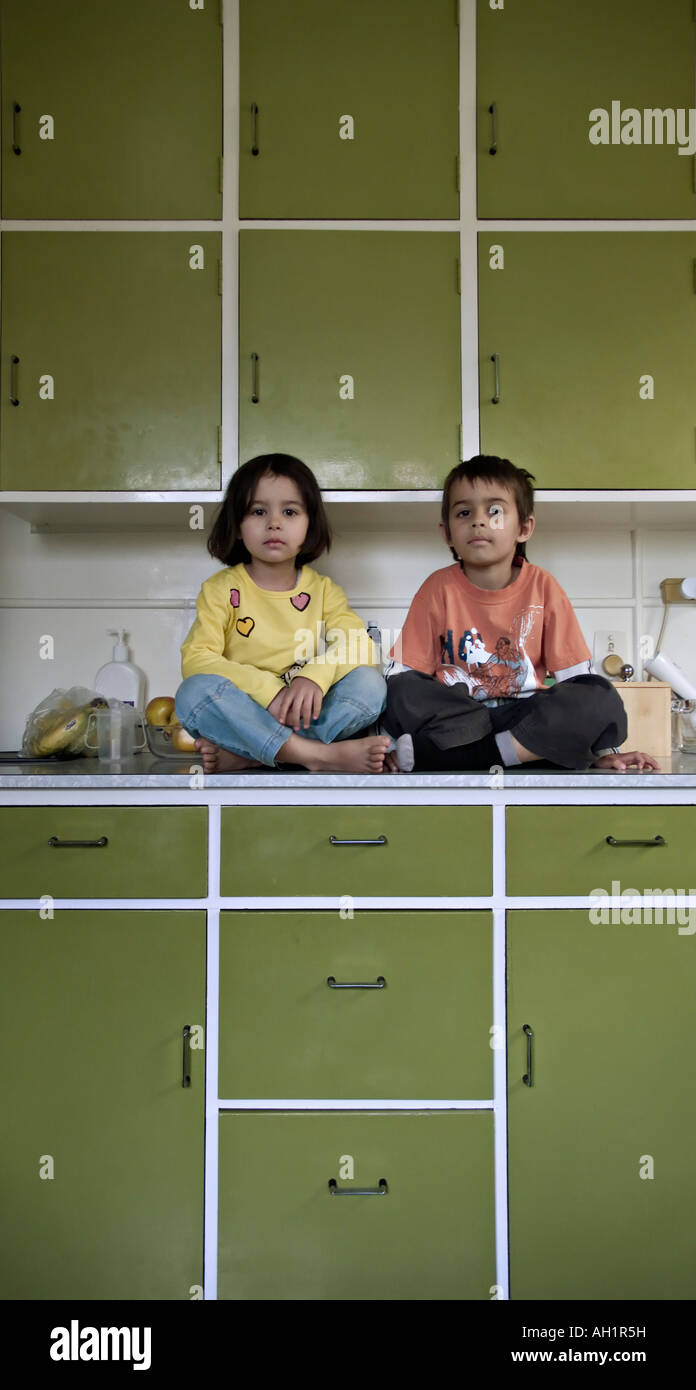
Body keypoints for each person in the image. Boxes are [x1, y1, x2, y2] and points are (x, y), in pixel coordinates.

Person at [383, 455, 659, 774]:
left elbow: (576, 679)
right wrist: (388, 746)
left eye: (495, 511)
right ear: (447, 533)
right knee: (400, 689)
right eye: (464, 512)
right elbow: (403, 676)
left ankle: (476, 755)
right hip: (457, 717)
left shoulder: (543, 586)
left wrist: (602, 752)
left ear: (524, 527)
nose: (479, 521)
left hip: (526, 716)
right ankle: (523, 752)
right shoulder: (437, 588)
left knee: (598, 696)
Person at [175, 454, 390, 773]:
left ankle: (255, 753)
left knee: (370, 685)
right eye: (258, 511)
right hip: (250, 709)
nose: (274, 523)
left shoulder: (323, 590)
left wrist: (314, 677)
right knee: (192, 694)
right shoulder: (221, 589)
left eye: (289, 511)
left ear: (309, 524)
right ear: (236, 526)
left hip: (307, 711)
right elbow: (197, 659)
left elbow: (358, 645)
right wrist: (270, 691)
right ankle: (320, 756)